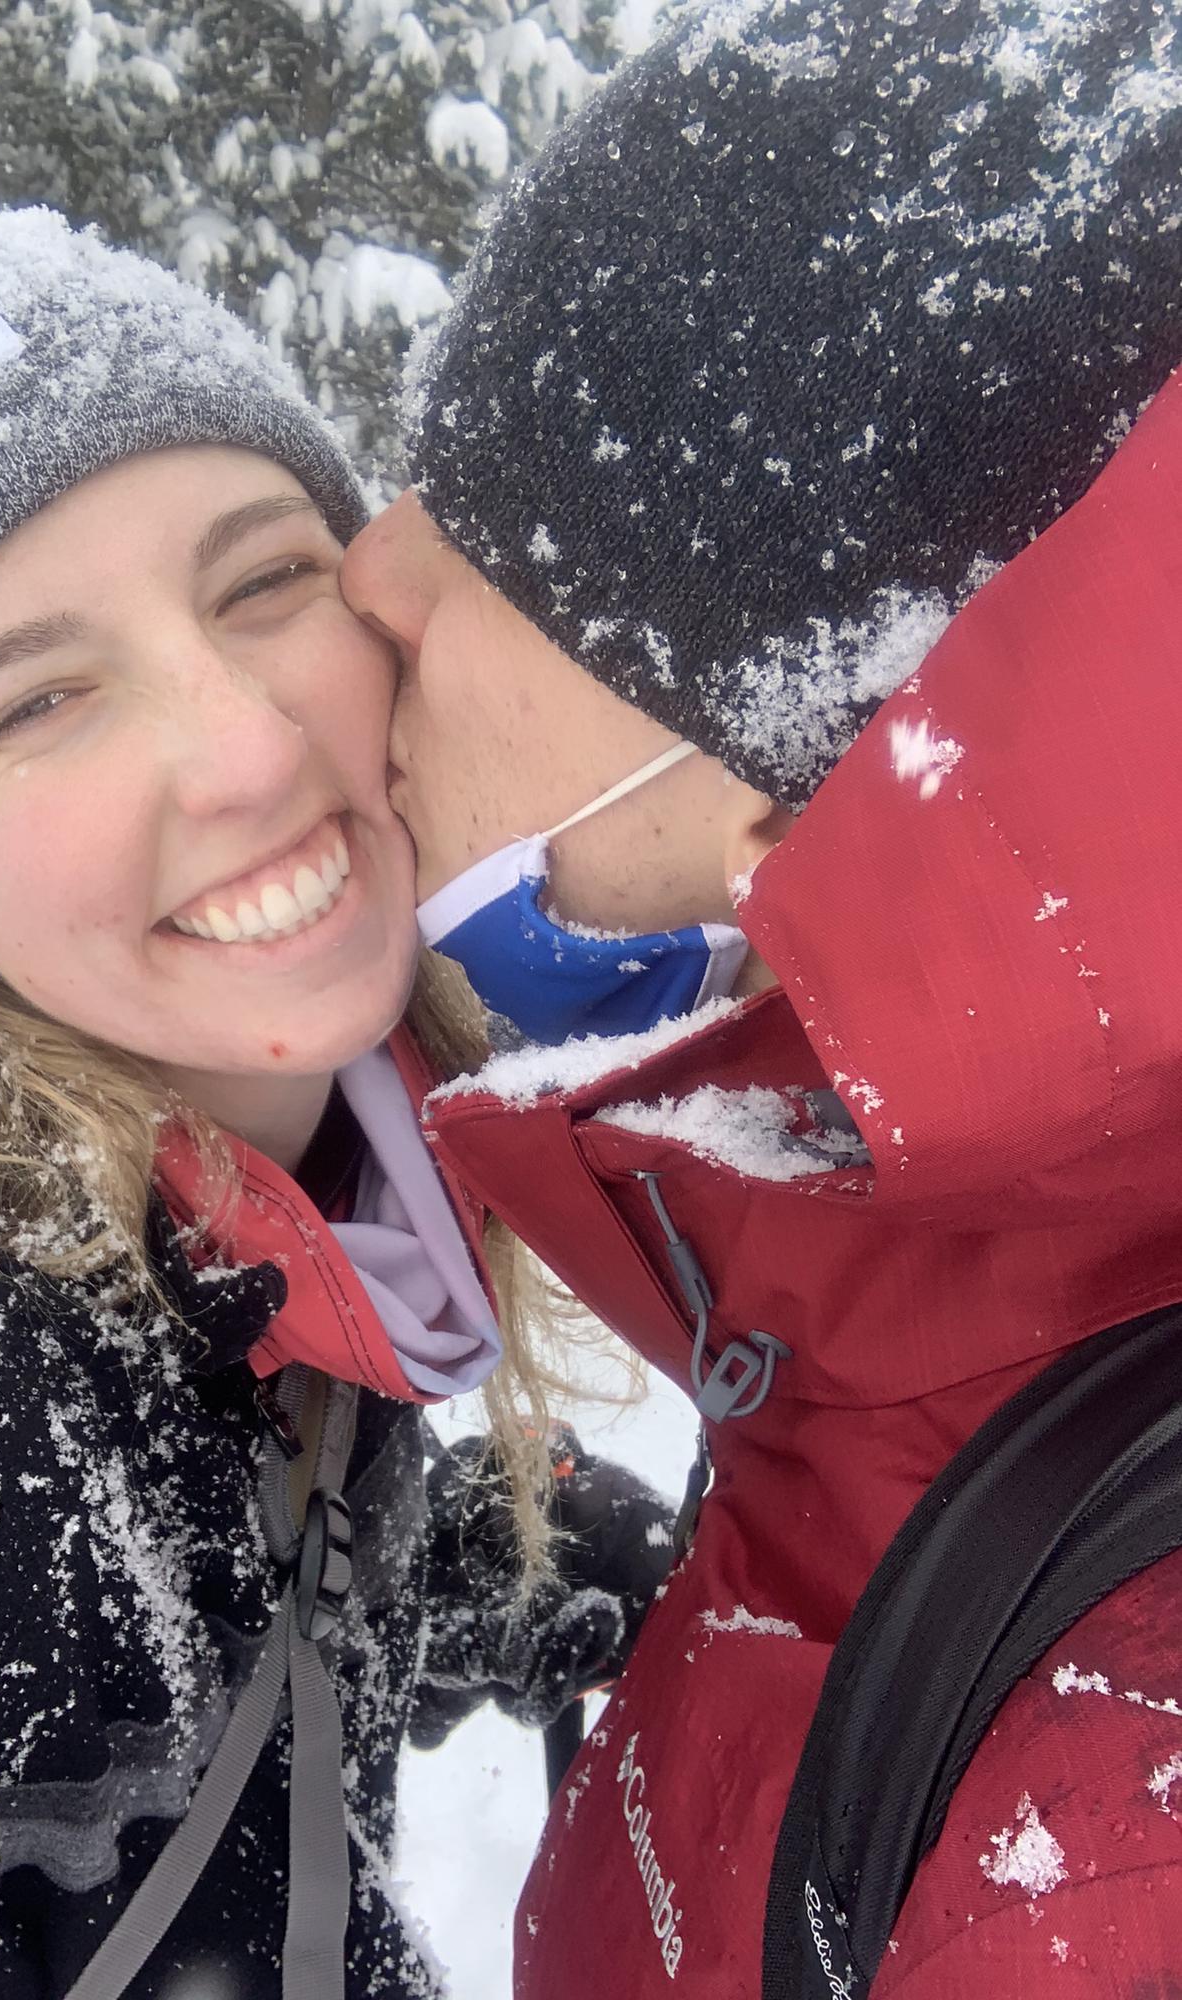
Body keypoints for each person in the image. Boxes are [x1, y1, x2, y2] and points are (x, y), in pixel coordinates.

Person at [0, 187, 672, 2000]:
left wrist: (468, 1564)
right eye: (34, 701)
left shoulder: (281, 1211)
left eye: (268, 580)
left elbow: (179, 1617)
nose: (243, 745)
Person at [340, 3, 1182, 1993]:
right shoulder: (947, 1251)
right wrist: (756, 1621)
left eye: (490, 531)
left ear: (782, 736)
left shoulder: (1110, 1866)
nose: (369, 568)